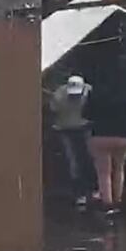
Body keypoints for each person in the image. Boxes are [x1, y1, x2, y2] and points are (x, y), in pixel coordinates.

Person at [85, 69, 126, 212]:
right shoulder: (125, 94)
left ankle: (107, 203)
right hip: (122, 136)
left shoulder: (95, 93)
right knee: (119, 169)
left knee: (103, 172)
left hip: (99, 135)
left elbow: (86, 113)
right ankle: (118, 201)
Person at [49, 75, 98, 208]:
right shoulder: (59, 94)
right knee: (73, 161)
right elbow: (53, 109)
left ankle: (94, 190)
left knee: (91, 157)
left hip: (85, 127)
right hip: (65, 129)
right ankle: (79, 193)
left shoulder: (90, 91)